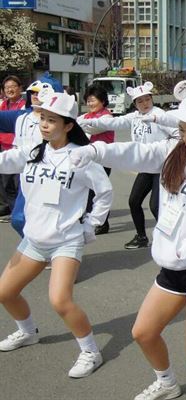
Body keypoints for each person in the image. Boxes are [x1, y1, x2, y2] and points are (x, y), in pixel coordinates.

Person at [69, 86, 186, 400]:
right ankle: (167, 383)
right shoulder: (171, 152)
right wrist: (95, 152)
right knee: (143, 332)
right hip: (172, 265)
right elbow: (134, 152)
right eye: (183, 130)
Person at [0, 90, 112, 378]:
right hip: (33, 240)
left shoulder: (80, 157)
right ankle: (28, 331)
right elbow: (5, 161)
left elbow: (104, 191)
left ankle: (90, 351)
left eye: (52, 120)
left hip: (66, 240)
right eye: (42, 119)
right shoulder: (34, 152)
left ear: (68, 125)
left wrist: (91, 224)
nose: (45, 125)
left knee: (60, 300)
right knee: (5, 292)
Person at [78, 82, 178, 249]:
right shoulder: (135, 116)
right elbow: (115, 123)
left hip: (162, 167)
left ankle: (170, 241)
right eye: (140, 101)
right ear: (135, 104)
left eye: (147, 99)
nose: (144, 103)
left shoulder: (159, 115)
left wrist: (166, 152)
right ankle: (141, 237)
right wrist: (93, 123)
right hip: (146, 167)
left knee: (156, 206)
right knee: (134, 201)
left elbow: (177, 135)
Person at [0, 74, 64, 237]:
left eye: (41, 92)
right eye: (33, 92)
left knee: (50, 220)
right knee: (19, 219)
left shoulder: (62, 120)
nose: (36, 95)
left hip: (51, 178)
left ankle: (56, 252)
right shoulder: (21, 116)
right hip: (28, 178)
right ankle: (37, 251)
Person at [77, 85, 115, 235]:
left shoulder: (107, 117)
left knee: (99, 191)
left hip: (103, 160)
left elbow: (93, 128)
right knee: (87, 191)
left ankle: (102, 223)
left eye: (93, 100)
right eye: (88, 101)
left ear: (103, 101)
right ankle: (90, 220)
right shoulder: (85, 117)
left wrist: (76, 125)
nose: (90, 104)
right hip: (88, 160)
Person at [0, 76, 26, 221]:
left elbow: (18, 130)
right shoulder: (3, 105)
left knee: (18, 183)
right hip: (4, 148)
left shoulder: (24, 106)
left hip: (17, 149)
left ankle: (19, 211)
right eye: (6, 87)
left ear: (20, 88)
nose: (9, 89)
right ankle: (13, 209)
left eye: (13, 86)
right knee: (6, 182)